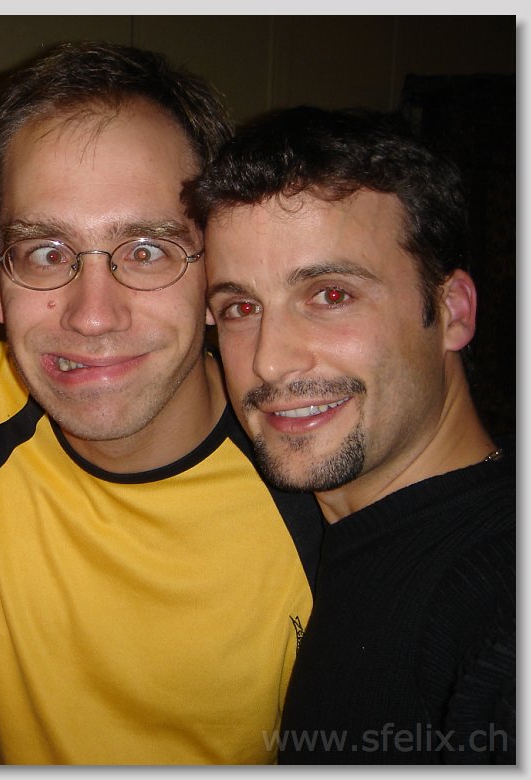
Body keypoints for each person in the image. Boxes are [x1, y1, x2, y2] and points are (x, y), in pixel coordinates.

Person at [0, 41, 323, 764]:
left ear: (216, 272)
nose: (93, 316)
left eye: (147, 250)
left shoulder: (314, 482)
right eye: (46, 252)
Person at [196, 106, 515, 764]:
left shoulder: (496, 587)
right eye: (240, 307)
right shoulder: (327, 534)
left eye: (330, 295)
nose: (269, 361)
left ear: (452, 311)